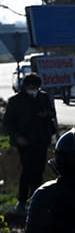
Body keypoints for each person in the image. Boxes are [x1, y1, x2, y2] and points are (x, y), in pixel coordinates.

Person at [5, 73, 58, 212]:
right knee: (27, 169)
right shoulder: (16, 101)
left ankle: (37, 198)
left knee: (39, 170)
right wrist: (17, 137)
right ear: (25, 86)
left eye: (36, 87)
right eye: (31, 87)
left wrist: (46, 115)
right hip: (24, 140)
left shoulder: (43, 97)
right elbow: (8, 122)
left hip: (41, 139)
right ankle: (22, 200)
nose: (33, 89)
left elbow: (52, 113)